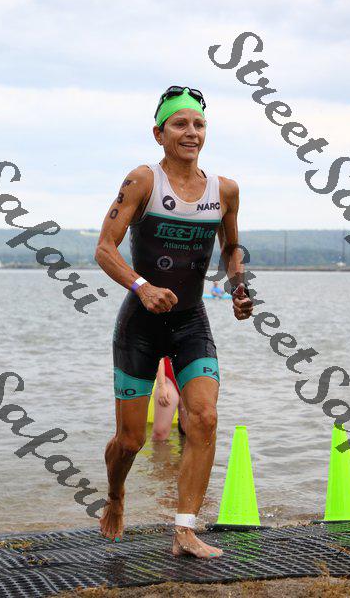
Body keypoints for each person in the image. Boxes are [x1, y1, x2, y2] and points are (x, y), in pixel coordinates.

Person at [95, 85, 253, 558]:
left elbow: (230, 248)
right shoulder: (143, 181)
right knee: (131, 440)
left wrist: (239, 287)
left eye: (199, 124)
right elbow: (104, 249)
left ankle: (185, 530)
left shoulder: (225, 190)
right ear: (159, 133)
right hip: (140, 325)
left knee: (204, 417)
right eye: (180, 124)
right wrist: (142, 287)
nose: (191, 132)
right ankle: (116, 496)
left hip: (190, 322)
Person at [152, 356, 187, 441]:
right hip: (167, 377)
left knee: (189, 431)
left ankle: (181, 448)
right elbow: (157, 353)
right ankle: (159, 451)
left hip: (189, 376)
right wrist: (161, 385)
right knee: (160, 433)